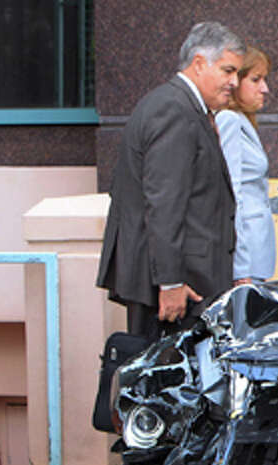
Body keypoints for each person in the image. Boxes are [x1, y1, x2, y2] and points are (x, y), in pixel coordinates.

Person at [97, 21, 244, 340]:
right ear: (199, 63)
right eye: (228, 70)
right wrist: (171, 283)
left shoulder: (182, 107)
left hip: (187, 284)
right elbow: (164, 205)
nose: (234, 82)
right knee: (165, 383)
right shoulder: (173, 109)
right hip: (176, 292)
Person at [217, 45, 275, 284]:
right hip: (247, 257)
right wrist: (240, 269)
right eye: (255, 79)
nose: (265, 88)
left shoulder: (242, 121)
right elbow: (233, 194)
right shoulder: (228, 120)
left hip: (256, 253)